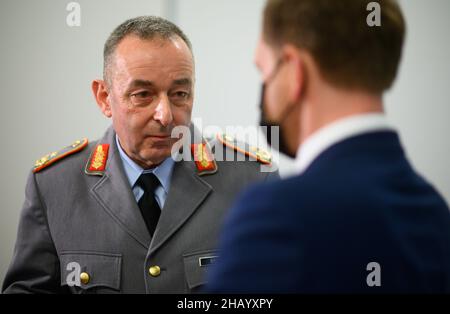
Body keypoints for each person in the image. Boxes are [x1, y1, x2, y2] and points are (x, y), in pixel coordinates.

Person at [2, 16, 277, 294]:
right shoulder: (55, 185)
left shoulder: (251, 180)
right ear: (104, 97)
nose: (165, 115)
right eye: (143, 94)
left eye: (179, 94)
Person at [207, 0, 450, 293]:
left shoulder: (276, 216)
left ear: (294, 71)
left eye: (264, 70)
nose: (264, 90)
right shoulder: (434, 213)